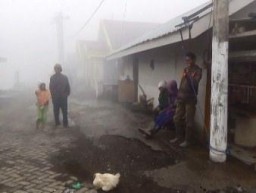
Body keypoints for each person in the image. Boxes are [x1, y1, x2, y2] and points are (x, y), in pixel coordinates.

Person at [170, 52, 202, 147]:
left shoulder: (198, 70)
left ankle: (188, 141)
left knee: (189, 121)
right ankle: (178, 137)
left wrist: (189, 77)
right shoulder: (185, 69)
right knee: (176, 118)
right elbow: (182, 83)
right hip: (181, 98)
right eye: (186, 60)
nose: (187, 61)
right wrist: (178, 96)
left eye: (189, 59)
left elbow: (195, 84)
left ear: (194, 60)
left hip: (190, 99)